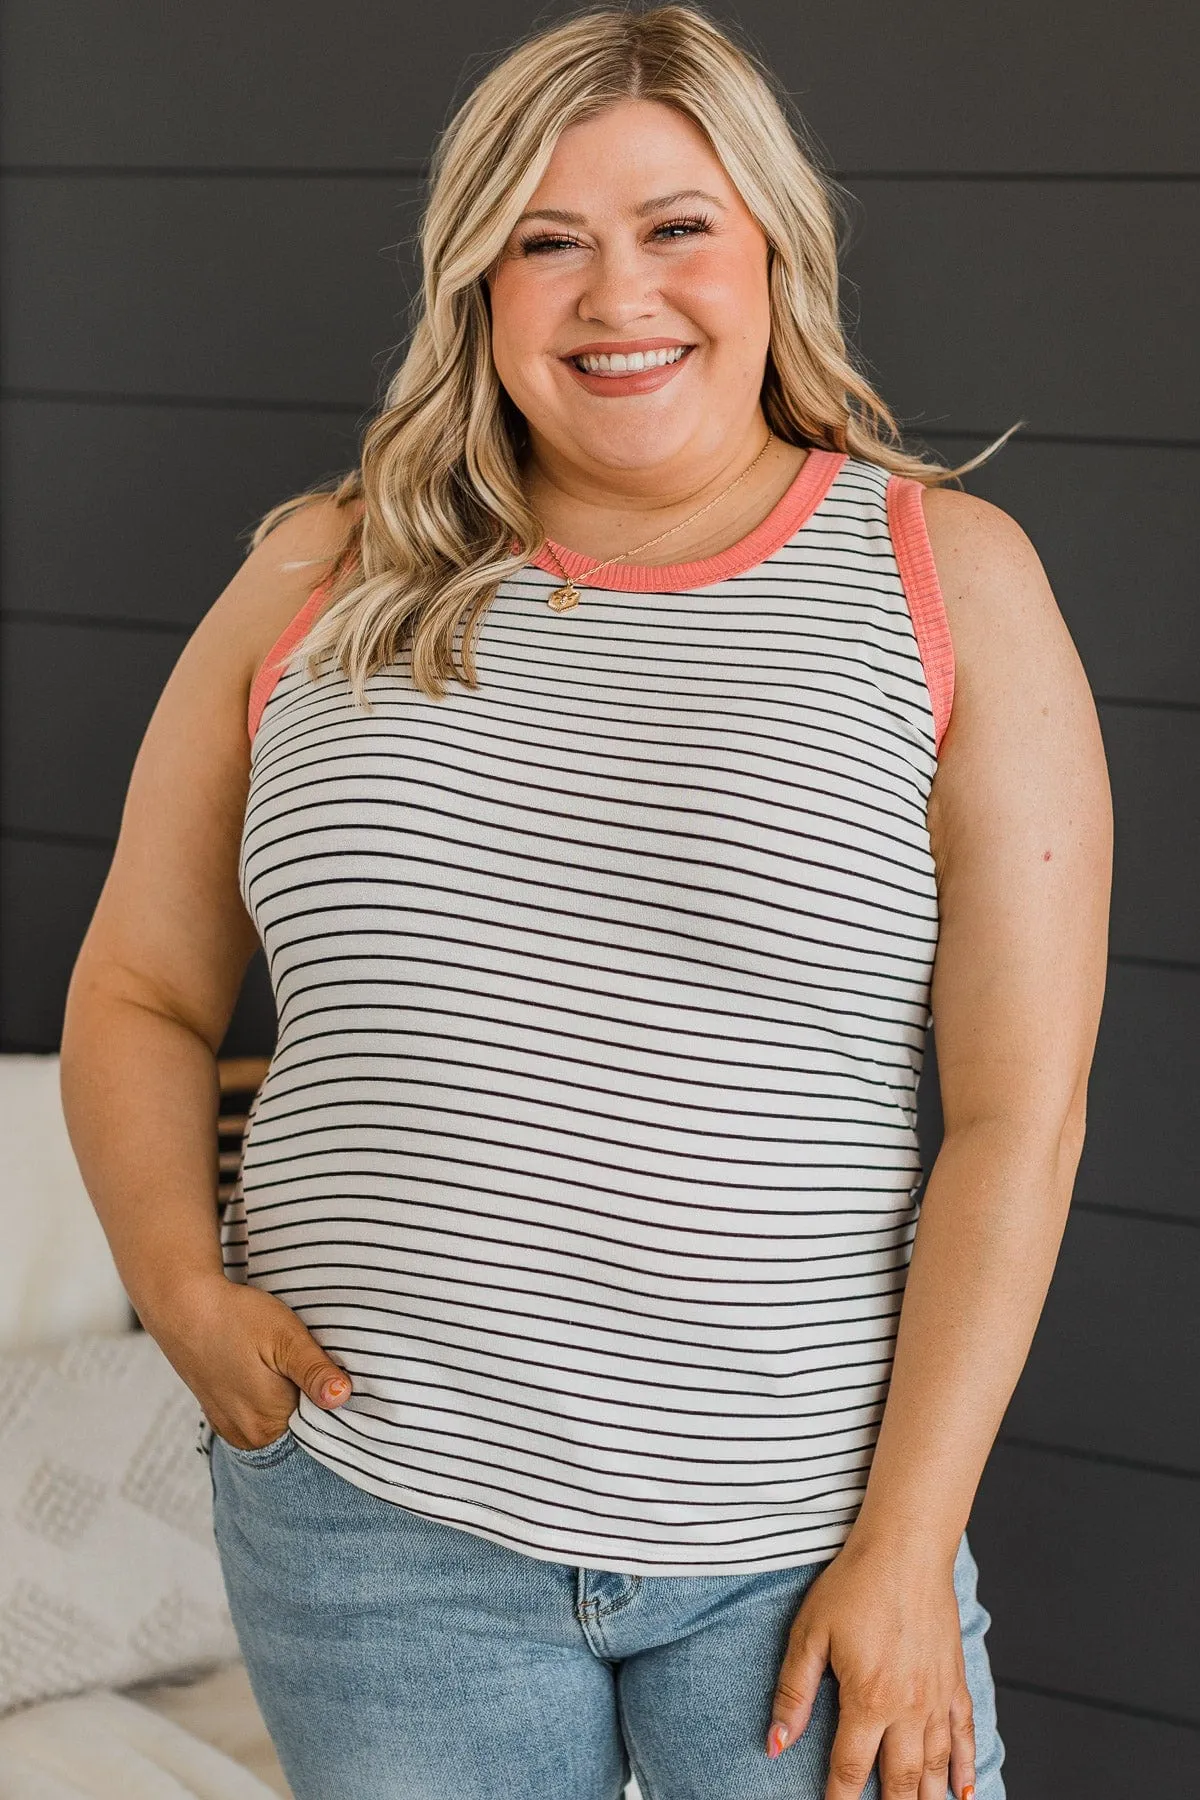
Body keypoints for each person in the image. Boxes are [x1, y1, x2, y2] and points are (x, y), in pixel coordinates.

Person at [59, 6, 1112, 1798]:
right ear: (476, 285)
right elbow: (144, 987)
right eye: (546, 241)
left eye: (674, 226)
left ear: (773, 245)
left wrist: (909, 1543)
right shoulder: (320, 571)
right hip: (373, 1525)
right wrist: (176, 1282)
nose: (615, 294)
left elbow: (1018, 1119)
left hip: (795, 1539)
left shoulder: (946, 579)